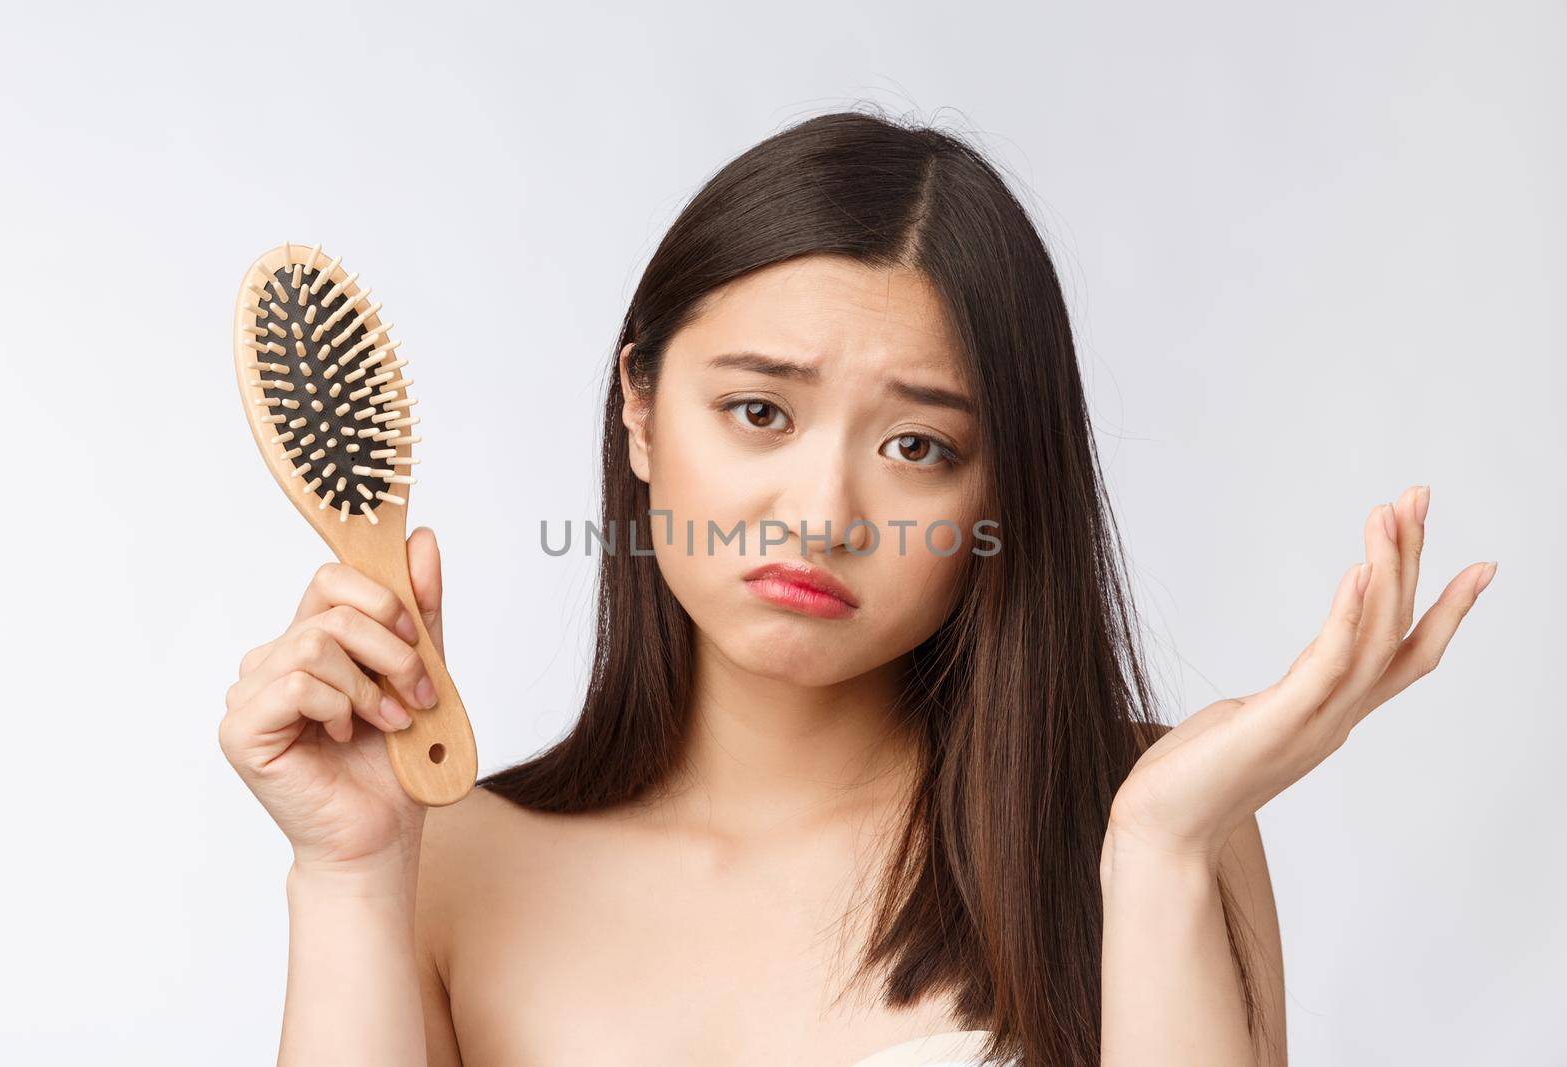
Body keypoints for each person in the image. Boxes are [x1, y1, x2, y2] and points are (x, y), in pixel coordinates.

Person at [219, 108, 1497, 1067]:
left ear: (998, 493)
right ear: (642, 410)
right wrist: (347, 878)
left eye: (917, 446)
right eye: (759, 408)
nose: (823, 516)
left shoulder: (1136, 824)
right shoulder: (445, 869)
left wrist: (1160, 852)